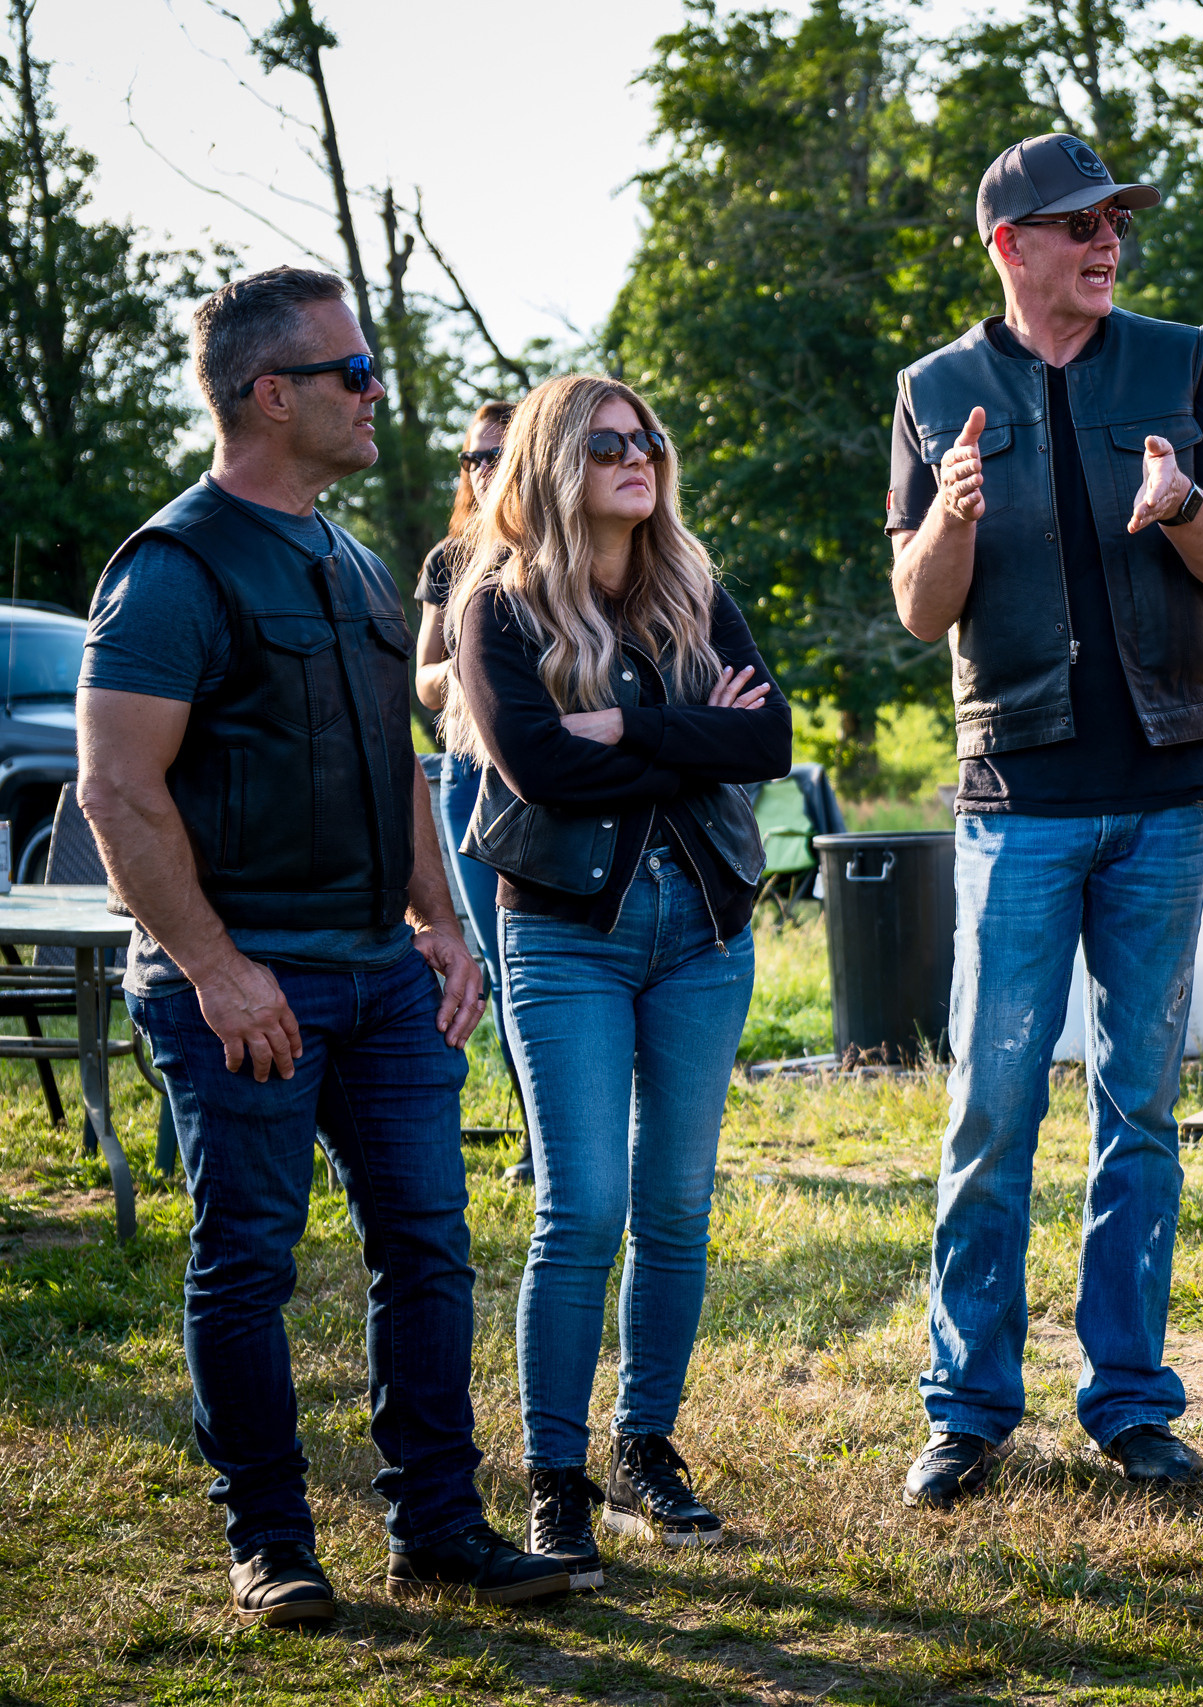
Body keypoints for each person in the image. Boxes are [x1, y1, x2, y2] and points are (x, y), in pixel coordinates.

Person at [77, 267, 572, 1625]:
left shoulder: (353, 559)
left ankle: (440, 1526)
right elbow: (117, 788)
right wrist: (217, 968)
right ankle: (274, 1541)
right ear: (268, 392)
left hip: (377, 971)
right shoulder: (172, 568)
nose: (375, 392)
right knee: (251, 1254)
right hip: (242, 984)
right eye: (350, 372)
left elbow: (399, 764)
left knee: (428, 1239)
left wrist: (439, 919)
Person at [885, 134, 1203, 1507]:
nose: (1107, 240)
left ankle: (1128, 1398)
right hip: (1020, 800)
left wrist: (1176, 511)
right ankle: (970, 1404)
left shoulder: (1179, 359)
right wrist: (948, 514)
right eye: (1077, 222)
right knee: (990, 1111)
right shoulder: (936, 390)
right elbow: (921, 607)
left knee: (1142, 1110)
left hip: (1169, 791)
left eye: (1116, 218)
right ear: (1009, 244)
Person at [447, 374, 791, 1581]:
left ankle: (646, 1446)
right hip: (564, 936)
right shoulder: (496, 610)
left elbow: (769, 741)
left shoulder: (692, 589)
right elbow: (538, 770)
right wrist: (683, 738)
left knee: (677, 1212)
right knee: (581, 1211)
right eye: (606, 444)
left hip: (700, 929)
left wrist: (626, 730)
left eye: (647, 437)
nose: (636, 456)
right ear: (553, 463)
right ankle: (557, 1484)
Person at [415, 400, 532, 1183]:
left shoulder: (566, 545)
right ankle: (542, 1136)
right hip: (469, 775)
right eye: (474, 458)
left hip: (555, 770)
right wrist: (472, 671)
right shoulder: (450, 561)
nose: (484, 469)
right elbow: (421, 683)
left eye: (500, 454)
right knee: (503, 952)